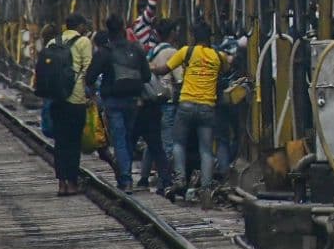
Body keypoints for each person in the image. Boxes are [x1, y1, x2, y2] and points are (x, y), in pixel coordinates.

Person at [152, 21, 229, 193]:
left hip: (186, 104)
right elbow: (225, 69)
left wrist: (150, 67)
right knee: (206, 150)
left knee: (179, 143)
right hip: (208, 106)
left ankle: (180, 179)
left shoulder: (187, 51)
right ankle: (206, 188)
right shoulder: (218, 56)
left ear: (194, 37)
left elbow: (164, 70)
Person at [86, 15, 150, 192]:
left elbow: (90, 77)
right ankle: (126, 173)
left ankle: (126, 179)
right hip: (133, 100)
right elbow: (147, 76)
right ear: (123, 28)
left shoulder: (105, 52)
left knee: (119, 138)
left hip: (113, 100)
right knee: (129, 137)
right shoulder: (136, 49)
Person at [50, 14, 95, 196]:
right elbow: (88, 71)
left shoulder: (53, 42)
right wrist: (90, 94)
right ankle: (72, 183)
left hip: (57, 98)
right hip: (76, 99)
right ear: (80, 26)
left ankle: (61, 184)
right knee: (74, 142)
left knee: (60, 142)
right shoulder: (84, 42)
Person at [138, 17, 181, 190]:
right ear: (172, 33)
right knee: (167, 143)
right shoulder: (172, 52)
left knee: (152, 142)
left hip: (151, 101)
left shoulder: (153, 50)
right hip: (167, 102)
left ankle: (143, 178)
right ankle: (165, 181)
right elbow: (179, 79)